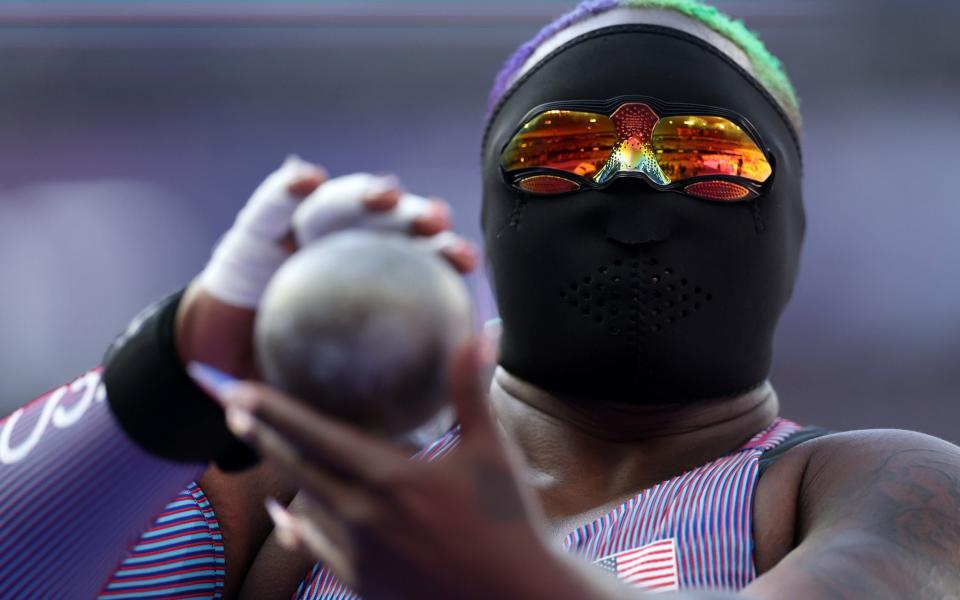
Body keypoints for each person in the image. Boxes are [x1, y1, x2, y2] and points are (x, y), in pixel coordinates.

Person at [1, 1, 958, 599]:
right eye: (563, 152)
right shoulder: (308, 481)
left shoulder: (877, 491)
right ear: (493, 208)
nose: (630, 184)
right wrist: (174, 367)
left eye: (709, 156)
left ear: (791, 224)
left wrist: (514, 582)